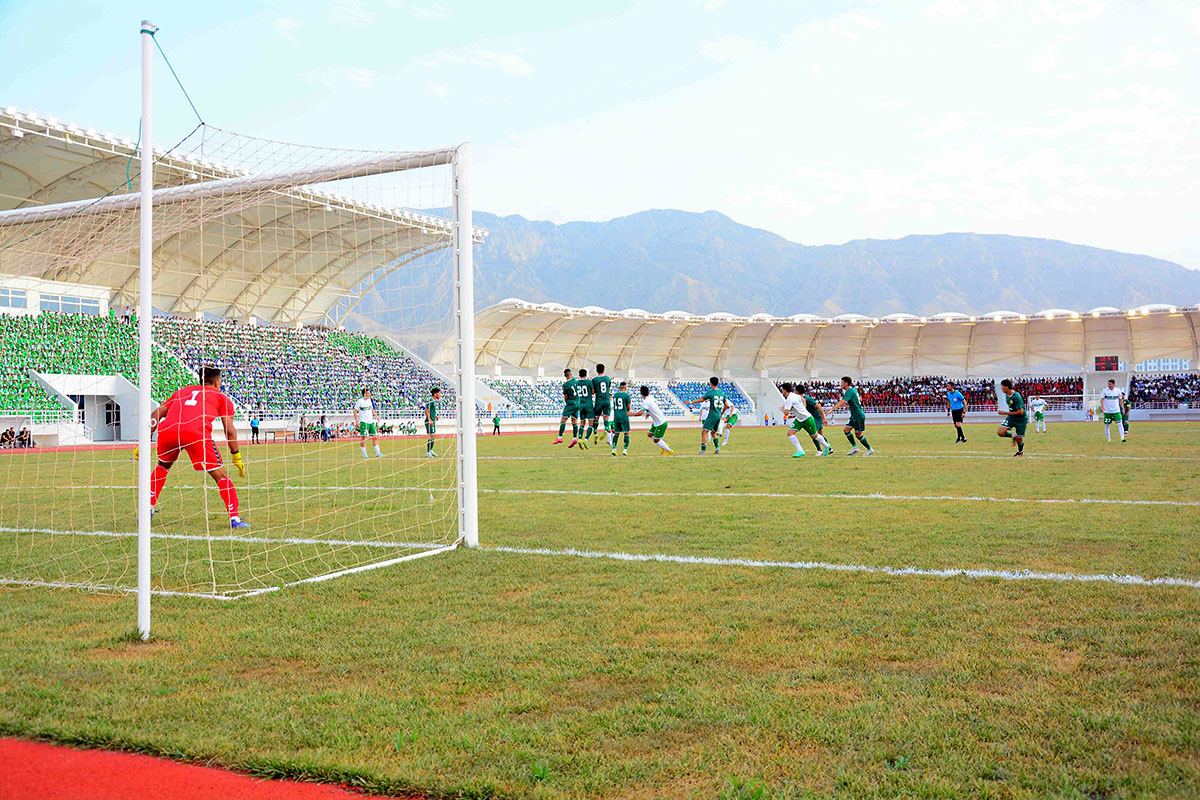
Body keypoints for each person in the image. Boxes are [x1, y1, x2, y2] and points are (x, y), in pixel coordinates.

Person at [144, 366, 248, 529]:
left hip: (168, 431)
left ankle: (147, 509)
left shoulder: (182, 392)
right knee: (220, 476)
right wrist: (236, 455)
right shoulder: (221, 397)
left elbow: (157, 413)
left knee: (162, 467)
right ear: (217, 383)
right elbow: (229, 430)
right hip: (196, 433)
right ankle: (235, 518)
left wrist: (145, 438)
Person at [780, 382, 831, 457]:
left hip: (807, 419)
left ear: (784, 390)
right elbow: (803, 400)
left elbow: (786, 413)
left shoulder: (789, 399)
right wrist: (801, 410)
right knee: (790, 433)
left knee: (814, 436)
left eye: (782, 389)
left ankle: (827, 446)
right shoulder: (795, 395)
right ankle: (800, 451)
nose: (782, 391)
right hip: (800, 419)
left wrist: (782, 409)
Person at [828, 376, 874, 455]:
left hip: (858, 415)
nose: (841, 384)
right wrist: (851, 405)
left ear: (846, 383)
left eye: (842, 382)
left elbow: (842, 401)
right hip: (854, 415)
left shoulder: (849, 391)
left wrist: (832, 409)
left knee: (858, 435)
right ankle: (855, 448)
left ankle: (870, 449)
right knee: (846, 430)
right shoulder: (854, 390)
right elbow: (860, 398)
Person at [686, 376, 725, 455]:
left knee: (704, 431)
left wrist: (691, 402)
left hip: (712, 414)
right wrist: (721, 413)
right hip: (718, 415)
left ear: (711, 383)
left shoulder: (711, 392)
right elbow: (726, 405)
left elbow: (701, 399)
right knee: (713, 432)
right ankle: (717, 449)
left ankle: (703, 450)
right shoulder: (722, 393)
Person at [799, 384, 833, 455]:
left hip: (816, 418)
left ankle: (819, 450)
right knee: (820, 434)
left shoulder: (807, 399)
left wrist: (823, 419)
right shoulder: (800, 400)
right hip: (812, 418)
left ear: (797, 392)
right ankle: (829, 449)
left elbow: (818, 406)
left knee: (813, 433)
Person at [639, 385, 674, 455]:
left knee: (656, 440)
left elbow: (640, 412)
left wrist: (630, 414)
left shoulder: (645, 402)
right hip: (656, 422)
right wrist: (649, 413)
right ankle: (663, 444)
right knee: (650, 434)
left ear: (641, 393)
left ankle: (669, 451)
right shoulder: (651, 398)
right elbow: (657, 405)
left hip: (661, 423)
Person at [997, 378, 1028, 457]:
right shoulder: (1007, 395)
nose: (1001, 388)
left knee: (1019, 439)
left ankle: (1020, 452)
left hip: (1021, 420)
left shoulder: (1016, 397)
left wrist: (1005, 413)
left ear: (1007, 387)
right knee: (1000, 432)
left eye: (1002, 386)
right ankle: (1013, 436)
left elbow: (1020, 412)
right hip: (1011, 417)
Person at [354, 388, 383, 458]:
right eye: (368, 393)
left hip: (371, 422)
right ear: (365, 394)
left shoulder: (369, 400)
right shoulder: (359, 401)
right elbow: (355, 411)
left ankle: (378, 452)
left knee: (375, 437)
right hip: (364, 422)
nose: (370, 394)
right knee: (363, 438)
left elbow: (372, 409)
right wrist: (357, 421)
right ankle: (364, 453)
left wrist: (376, 416)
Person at [554, 368, 578, 447]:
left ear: (565, 376)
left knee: (563, 420)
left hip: (570, 403)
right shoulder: (575, 381)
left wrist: (567, 402)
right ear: (571, 374)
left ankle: (560, 437)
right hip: (577, 403)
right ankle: (574, 438)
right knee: (574, 421)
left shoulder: (566, 385)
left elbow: (565, 397)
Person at [591, 363, 613, 446]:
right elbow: (608, 388)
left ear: (596, 370)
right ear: (604, 370)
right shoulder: (607, 379)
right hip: (606, 399)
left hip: (599, 400)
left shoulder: (595, 380)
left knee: (596, 417)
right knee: (606, 417)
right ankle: (606, 427)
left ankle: (596, 432)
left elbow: (593, 391)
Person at [611, 380, 632, 456]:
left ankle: (614, 449)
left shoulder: (615, 395)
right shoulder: (626, 395)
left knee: (616, 433)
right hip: (624, 416)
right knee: (626, 433)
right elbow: (628, 408)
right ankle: (625, 450)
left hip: (616, 416)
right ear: (625, 388)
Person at [574, 368, 593, 449]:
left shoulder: (577, 383)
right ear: (586, 374)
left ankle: (580, 438)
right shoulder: (589, 382)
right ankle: (586, 439)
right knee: (591, 423)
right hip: (588, 404)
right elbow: (592, 392)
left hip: (581, 404)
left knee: (582, 423)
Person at [425, 386, 441, 457]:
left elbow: (432, 410)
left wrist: (435, 416)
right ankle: (428, 452)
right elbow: (426, 410)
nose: (440, 395)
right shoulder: (430, 400)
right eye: (439, 393)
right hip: (429, 421)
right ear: (435, 394)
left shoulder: (434, 401)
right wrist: (429, 420)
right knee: (431, 436)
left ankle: (431, 450)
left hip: (433, 420)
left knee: (433, 436)